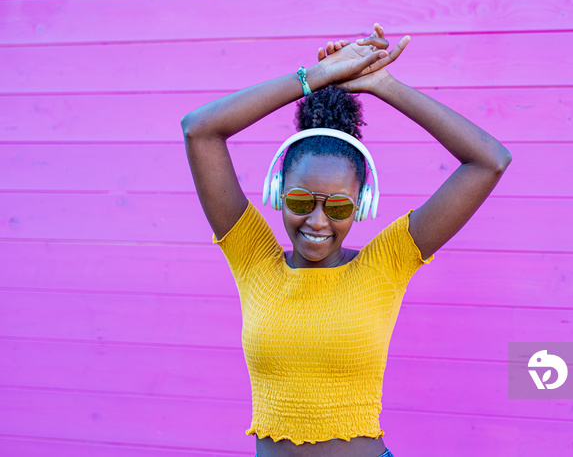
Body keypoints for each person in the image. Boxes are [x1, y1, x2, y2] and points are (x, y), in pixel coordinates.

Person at [181, 24, 511, 457]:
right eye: (301, 200)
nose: (317, 221)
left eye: (338, 207)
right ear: (278, 193)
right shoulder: (253, 257)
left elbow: (489, 160)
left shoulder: (386, 263)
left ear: (361, 204)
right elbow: (199, 130)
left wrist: (381, 83)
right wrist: (312, 79)